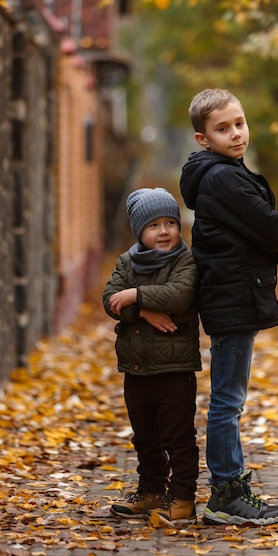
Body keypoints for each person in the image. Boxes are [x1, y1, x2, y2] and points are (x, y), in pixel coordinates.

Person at [180, 88, 278, 526]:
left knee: (231, 397)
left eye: (239, 124)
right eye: (223, 129)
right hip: (232, 299)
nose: (236, 134)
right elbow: (270, 227)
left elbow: (261, 234)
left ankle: (231, 487)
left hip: (236, 296)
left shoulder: (224, 171)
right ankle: (226, 493)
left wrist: (274, 239)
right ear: (202, 138)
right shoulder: (222, 177)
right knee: (228, 400)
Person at [102, 187, 201, 525]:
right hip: (137, 367)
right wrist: (141, 312)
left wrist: (136, 295)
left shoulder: (185, 261)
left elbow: (179, 295)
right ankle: (151, 490)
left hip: (175, 369)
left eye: (170, 222)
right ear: (139, 232)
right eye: (154, 225)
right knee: (144, 435)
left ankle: (183, 496)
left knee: (178, 436)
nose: (164, 231)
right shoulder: (127, 262)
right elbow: (110, 300)